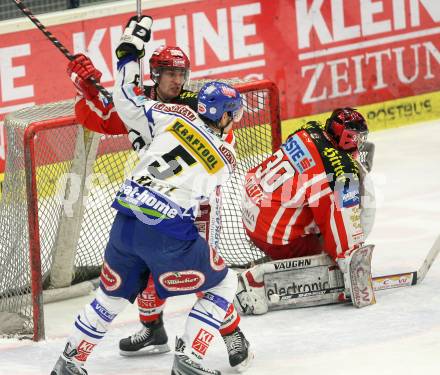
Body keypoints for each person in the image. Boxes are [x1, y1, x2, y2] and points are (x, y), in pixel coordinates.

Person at [51, 16, 249, 375]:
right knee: (195, 276)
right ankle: (159, 333)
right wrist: (88, 90)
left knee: (146, 283)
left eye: (181, 74)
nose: (177, 80)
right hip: (169, 210)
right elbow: (107, 116)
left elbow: (123, 107)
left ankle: (233, 333)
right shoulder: (170, 109)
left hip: (177, 206)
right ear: (155, 75)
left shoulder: (173, 109)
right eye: (169, 73)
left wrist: (127, 54)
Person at [237, 107, 376, 313]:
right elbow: (338, 223)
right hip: (275, 235)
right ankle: (258, 279)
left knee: (316, 211)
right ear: (345, 137)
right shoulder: (339, 171)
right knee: (328, 254)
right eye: (356, 138)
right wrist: (349, 258)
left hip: (255, 211)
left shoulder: (310, 130)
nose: (359, 142)